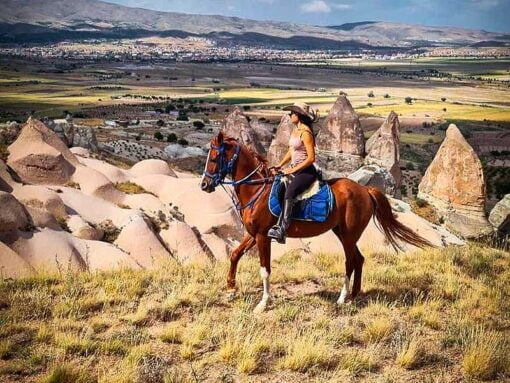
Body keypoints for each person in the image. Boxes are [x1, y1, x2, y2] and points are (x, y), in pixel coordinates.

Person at [268, 102, 318, 244]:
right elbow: (291, 151)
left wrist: (293, 169)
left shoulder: (306, 133)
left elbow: (311, 158)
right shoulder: (295, 131)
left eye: (292, 113)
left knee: (290, 192)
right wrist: (280, 165)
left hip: (306, 172)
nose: (290, 115)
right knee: (279, 188)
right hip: (295, 168)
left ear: (299, 115)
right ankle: (279, 221)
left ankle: (282, 229)